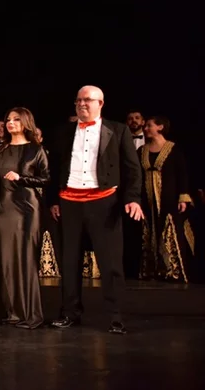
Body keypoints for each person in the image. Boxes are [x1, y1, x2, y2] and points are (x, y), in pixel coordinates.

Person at [50, 85, 142, 334]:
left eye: (87, 100)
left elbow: (133, 169)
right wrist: (54, 201)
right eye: (78, 100)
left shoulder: (118, 130)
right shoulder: (64, 131)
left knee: (110, 263)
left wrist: (133, 198)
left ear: (100, 103)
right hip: (69, 202)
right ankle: (70, 312)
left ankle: (116, 317)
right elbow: (56, 168)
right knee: (69, 262)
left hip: (104, 202)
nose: (82, 104)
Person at [0, 107, 49, 329]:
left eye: (16, 120)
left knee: (26, 259)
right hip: (4, 207)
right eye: (8, 119)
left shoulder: (35, 149)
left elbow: (45, 179)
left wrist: (22, 178)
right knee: (6, 260)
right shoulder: (0, 151)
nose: (10, 123)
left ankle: (31, 315)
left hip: (28, 207)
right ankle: (12, 313)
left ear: (26, 122)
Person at [139, 116, 194, 282]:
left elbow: (182, 174)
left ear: (160, 127)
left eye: (149, 125)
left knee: (170, 230)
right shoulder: (141, 151)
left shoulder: (173, 149)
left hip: (169, 198)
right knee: (149, 231)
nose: (145, 128)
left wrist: (183, 197)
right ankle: (152, 269)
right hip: (147, 200)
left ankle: (173, 270)